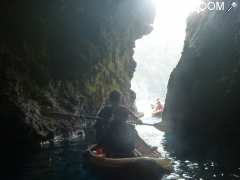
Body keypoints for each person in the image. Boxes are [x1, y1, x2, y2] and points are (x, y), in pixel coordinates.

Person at [95, 90, 141, 156]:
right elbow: (132, 115)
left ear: (110, 99)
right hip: (125, 149)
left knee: (105, 133)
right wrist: (138, 120)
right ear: (120, 99)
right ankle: (144, 149)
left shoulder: (106, 109)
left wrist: (103, 123)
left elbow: (97, 123)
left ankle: (104, 149)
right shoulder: (122, 110)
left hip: (111, 143)